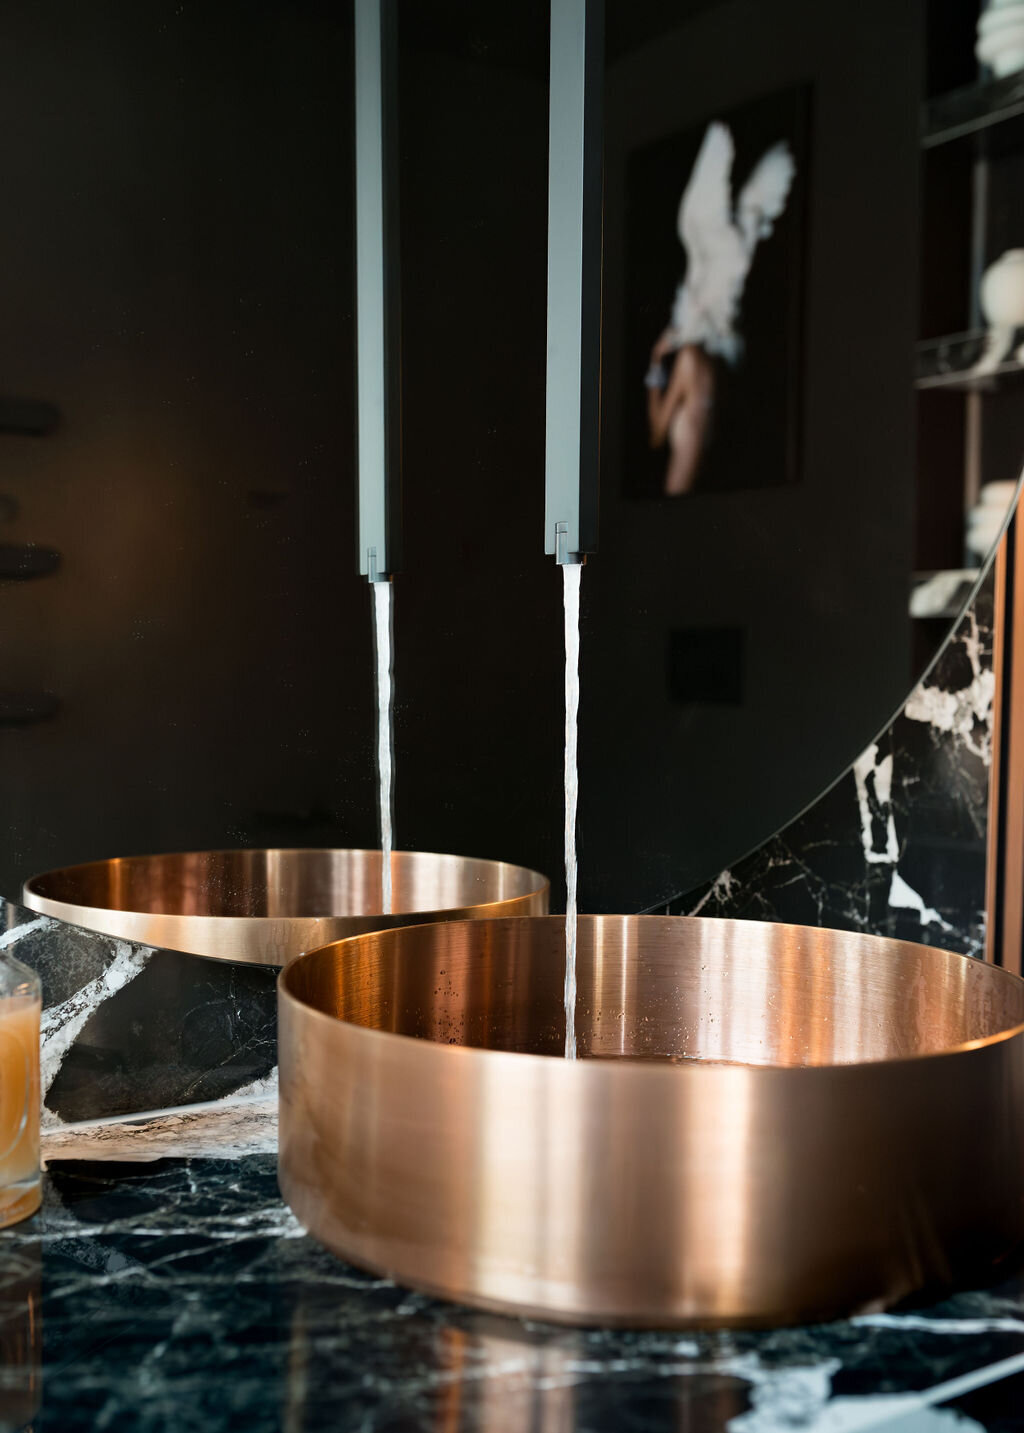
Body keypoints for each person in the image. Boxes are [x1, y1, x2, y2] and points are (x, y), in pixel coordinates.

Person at [645, 332, 715, 496]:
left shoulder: (688, 359)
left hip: (677, 490)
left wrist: (656, 359)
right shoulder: (709, 363)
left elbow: (657, 433)